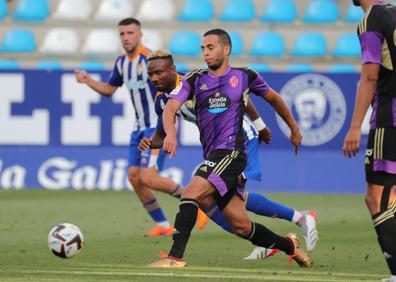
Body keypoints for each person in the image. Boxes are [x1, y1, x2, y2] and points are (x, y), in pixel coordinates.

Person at [149, 29, 313, 268]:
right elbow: (170, 108)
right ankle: (290, 245)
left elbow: (275, 99)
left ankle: (175, 257)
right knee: (241, 226)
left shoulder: (245, 76)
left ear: (226, 49)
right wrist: (170, 134)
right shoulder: (195, 79)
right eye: (203, 48)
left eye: (211, 47)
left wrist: (294, 129)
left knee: (190, 193)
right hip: (213, 154)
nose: (205, 52)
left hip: (232, 153)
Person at [75, 18, 207, 237]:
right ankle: (163, 224)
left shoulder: (152, 61)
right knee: (134, 177)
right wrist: (88, 80)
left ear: (140, 34)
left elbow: (177, 84)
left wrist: (170, 121)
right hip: (137, 128)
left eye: (130, 33)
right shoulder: (121, 63)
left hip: (155, 128)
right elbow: (109, 89)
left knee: (149, 177)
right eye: (122, 34)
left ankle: (199, 201)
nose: (126, 37)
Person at [343, 1, 396, 281]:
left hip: (390, 120)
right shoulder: (394, 13)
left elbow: (370, 76)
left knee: (376, 198)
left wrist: (354, 126)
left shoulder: (371, 18)